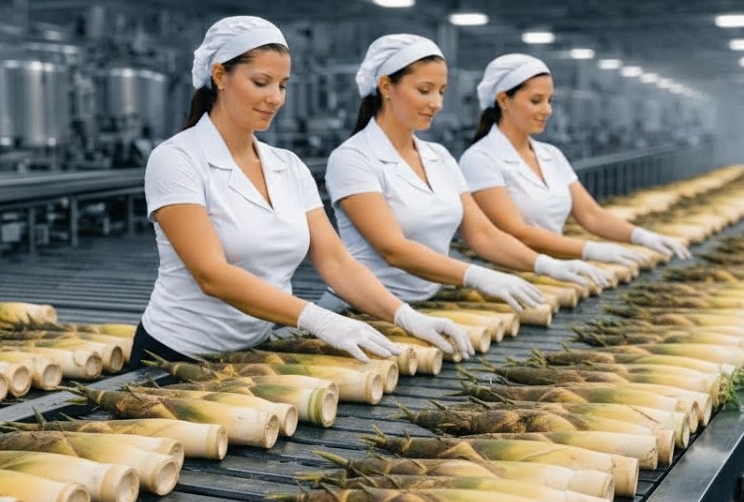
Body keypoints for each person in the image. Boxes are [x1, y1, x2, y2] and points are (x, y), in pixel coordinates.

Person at [126, 16, 474, 371]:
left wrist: (406, 317)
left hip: (251, 355)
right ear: (220, 76)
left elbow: (336, 263)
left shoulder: (287, 166)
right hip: (172, 356)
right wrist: (318, 319)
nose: (275, 98)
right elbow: (211, 274)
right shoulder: (177, 159)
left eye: (283, 85)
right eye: (261, 82)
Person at [324, 34, 614, 313]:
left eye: (441, 92)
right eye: (424, 90)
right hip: (362, 309)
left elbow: (482, 233)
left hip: (428, 302)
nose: (437, 103)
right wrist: (479, 276)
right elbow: (393, 249)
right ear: (386, 86)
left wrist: (546, 265)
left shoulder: (439, 157)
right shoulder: (353, 158)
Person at [459, 53, 691, 268]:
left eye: (550, 100)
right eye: (536, 100)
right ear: (503, 100)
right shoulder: (480, 159)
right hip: (506, 276)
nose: (547, 110)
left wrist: (643, 236)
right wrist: (589, 249)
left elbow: (591, 214)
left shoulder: (551, 155)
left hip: (556, 271)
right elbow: (517, 232)